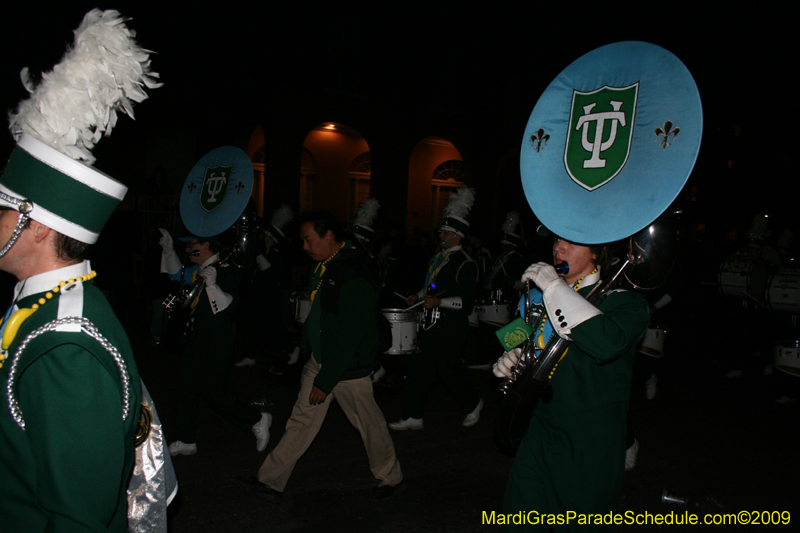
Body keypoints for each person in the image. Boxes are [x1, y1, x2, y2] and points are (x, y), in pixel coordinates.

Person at [0, 9, 161, 531]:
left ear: (38, 225)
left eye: (2, 206)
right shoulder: (40, 303)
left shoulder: (66, 345)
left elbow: (78, 517)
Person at [237, 211, 404, 503]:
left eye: (308, 239)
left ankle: (391, 478)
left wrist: (326, 381)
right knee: (300, 422)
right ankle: (270, 481)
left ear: (329, 237)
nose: (304, 246)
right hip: (322, 359)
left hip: (346, 368)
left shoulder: (353, 272)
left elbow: (350, 335)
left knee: (369, 424)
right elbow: (320, 315)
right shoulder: (325, 265)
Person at [494, 234, 649, 529]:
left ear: (597, 252)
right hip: (539, 428)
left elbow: (606, 341)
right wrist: (506, 358)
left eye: (571, 242)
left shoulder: (627, 302)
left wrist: (554, 287)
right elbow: (513, 335)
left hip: (589, 443)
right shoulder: (540, 297)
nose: (558, 248)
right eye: (556, 241)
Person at [159, 231, 271, 456]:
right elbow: (174, 275)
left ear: (206, 246)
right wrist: (168, 250)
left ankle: (257, 419)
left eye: (192, 245)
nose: (189, 250)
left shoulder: (226, 270)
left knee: (214, 394)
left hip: (217, 342)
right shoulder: (199, 271)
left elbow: (229, 307)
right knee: (186, 389)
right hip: (197, 339)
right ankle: (185, 438)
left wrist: (212, 285)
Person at [390, 188, 483, 430]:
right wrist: (418, 296)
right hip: (431, 322)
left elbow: (466, 302)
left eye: (445, 231)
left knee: (449, 369)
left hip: (452, 326)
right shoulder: (438, 259)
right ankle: (413, 416)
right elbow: (431, 286)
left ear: (457, 236)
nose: (440, 234)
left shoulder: (466, 264)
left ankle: (473, 404)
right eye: (441, 230)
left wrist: (439, 302)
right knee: (420, 367)